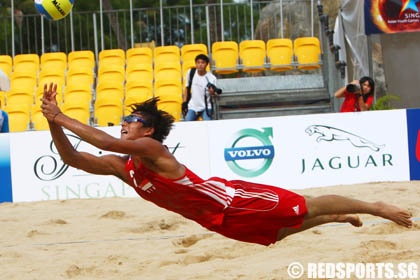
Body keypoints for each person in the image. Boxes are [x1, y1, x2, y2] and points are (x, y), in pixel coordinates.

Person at [41, 83, 412, 246]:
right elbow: (72, 158)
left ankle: (375, 207)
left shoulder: (153, 149)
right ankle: (333, 219)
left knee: (306, 204)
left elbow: (103, 141)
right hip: (210, 219)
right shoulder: (123, 168)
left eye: (131, 119)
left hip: (232, 199)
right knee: (276, 235)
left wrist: (61, 114)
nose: (124, 122)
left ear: (148, 129)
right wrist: (52, 123)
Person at [182, 54, 219, 121]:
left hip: (206, 107)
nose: (200, 65)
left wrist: (212, 93)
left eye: (202, 62)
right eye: (198, 62)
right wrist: (184, 103)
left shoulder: (212, 78)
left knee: (208, 125)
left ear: (206, 64)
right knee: (186, 124)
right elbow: (187, 88)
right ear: (195, 63)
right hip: (192, 106)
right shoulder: (191, 72)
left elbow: (215, 95)